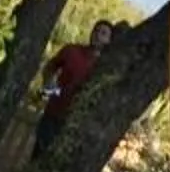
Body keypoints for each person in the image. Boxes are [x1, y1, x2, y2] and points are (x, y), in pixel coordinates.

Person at [36, 19, 121, 154]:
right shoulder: (71, 50)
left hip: (75, 128)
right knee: (37, 157)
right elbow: (49, 68)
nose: (98, 35)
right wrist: (51, 89)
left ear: (109, 41)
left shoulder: (105, 69)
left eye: (103, 33)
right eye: (96, 31)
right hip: (52, 116)